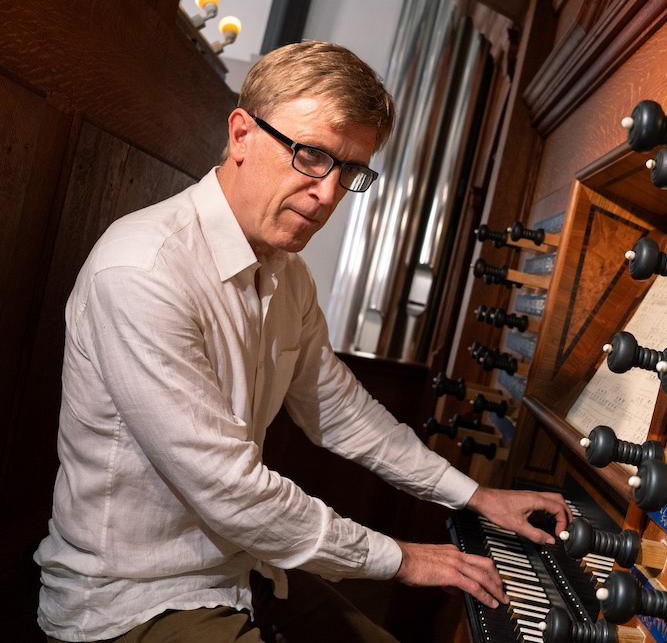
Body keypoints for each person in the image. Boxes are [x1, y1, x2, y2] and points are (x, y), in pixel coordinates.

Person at [35, 41, 571, 642]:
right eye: (312, 156)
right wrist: (406, 559)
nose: (328, 195)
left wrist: (475, 496)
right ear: (241, 134)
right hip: (131, 602)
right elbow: (231, 492)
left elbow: (341, 412)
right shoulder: (142, 271)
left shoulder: (287, 275)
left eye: (350, 172)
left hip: (241, 568)